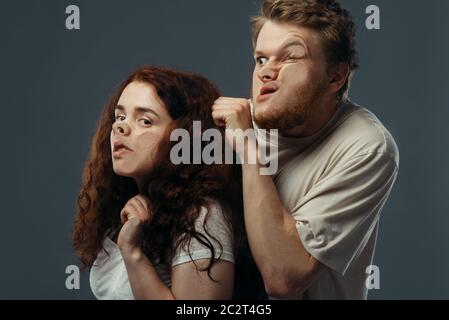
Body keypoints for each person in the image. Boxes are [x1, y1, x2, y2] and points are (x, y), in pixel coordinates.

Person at [212, 0, 399, 299]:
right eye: (261, 59)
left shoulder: (367, 146)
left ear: (335, 77)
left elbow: (284, 278)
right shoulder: (229, 126)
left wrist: (248, 151)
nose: (266, 73)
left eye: (289, 59)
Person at [72, 66, 264, 300]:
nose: (119, 127)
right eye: (120, 117)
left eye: (145, 121)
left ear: (185, 137)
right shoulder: (127, 212)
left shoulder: (202, 217)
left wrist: (134, 255)